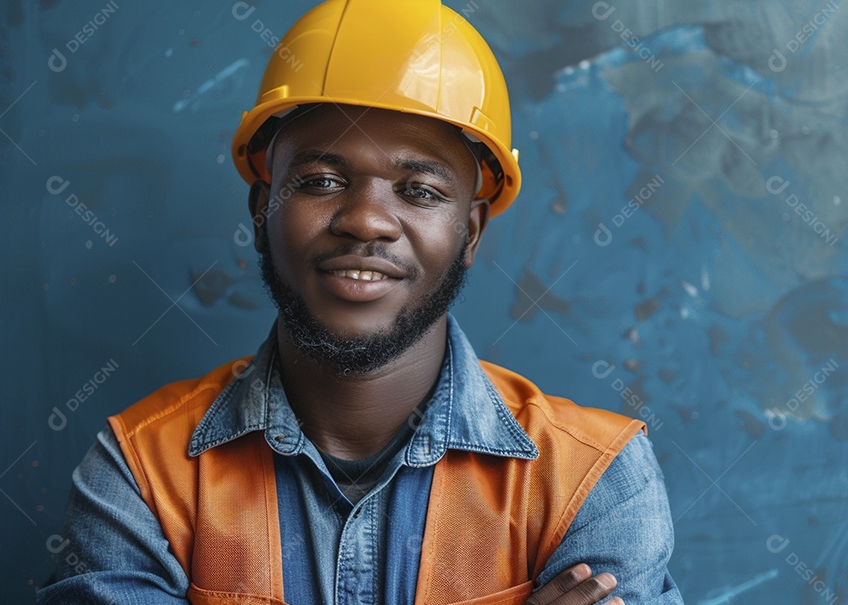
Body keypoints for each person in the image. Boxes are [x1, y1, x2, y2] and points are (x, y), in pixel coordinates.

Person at [38, 1, 682, 603]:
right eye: (322, 181)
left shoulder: (592, 480)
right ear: (264, 208)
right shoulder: (141, 476)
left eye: (420, 190)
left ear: (472, 232)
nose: (367, 220)